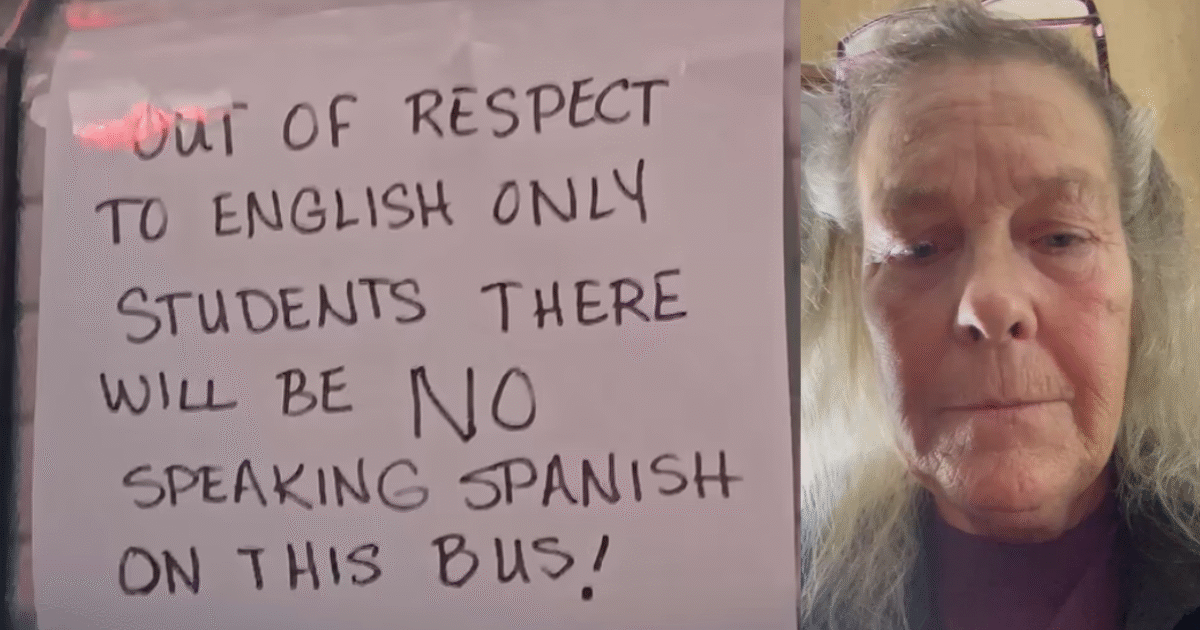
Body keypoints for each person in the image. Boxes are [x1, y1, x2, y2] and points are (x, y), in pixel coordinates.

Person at [797, 1, 1200, 629]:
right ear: (856, 303)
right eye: (918, 249)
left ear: (1140, 277)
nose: (990, 302)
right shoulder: (772, 589)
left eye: (1061, 238)